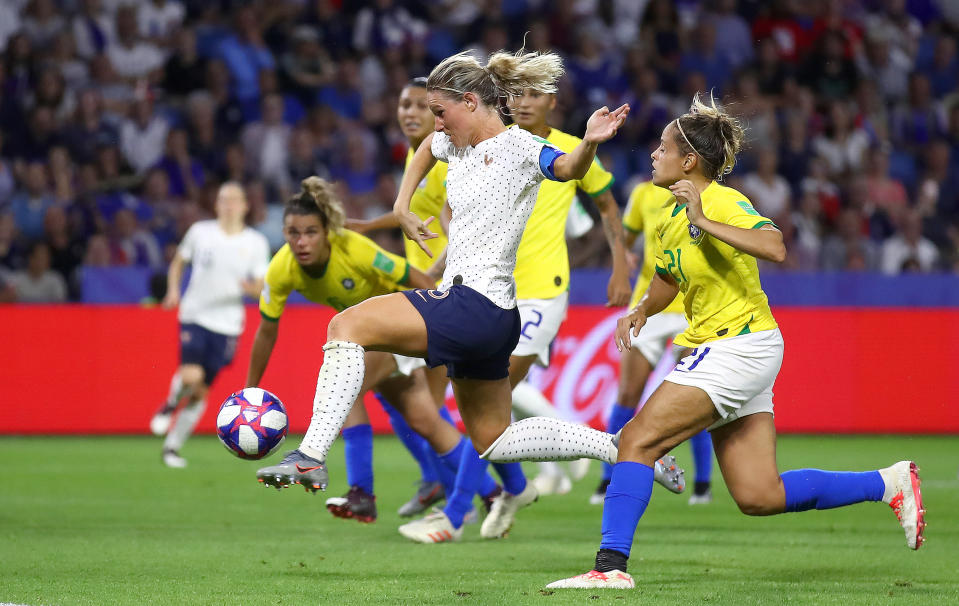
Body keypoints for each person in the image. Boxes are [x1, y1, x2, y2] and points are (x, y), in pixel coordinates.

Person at [480, 94, 925, 589]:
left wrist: (706, 222)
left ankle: (609, 569)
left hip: (737, 345)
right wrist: (642, 310)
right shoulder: (672, 217)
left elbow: (775, 245)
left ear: (688, 160)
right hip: (741, 346)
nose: (653, 155)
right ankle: (889, 483)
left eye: (662, 148)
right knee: (760, 494)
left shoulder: (720, 201)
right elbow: (669, 276)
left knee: (635, 439)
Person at [251, 48, 629, 543]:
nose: (435, 122)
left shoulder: (519, 147)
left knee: (347, 327)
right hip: (493, 317)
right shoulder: (458, 144)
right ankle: (619, 447)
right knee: (493, 439)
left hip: (472, 304)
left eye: (439, 110)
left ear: (471, 102)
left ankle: (312, 455)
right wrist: (402, 204)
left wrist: (591, 144)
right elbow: (429, 147)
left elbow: (567, 168)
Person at [249, 176, 465, 524]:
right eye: (293, 233)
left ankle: (358, 489)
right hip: (369, 338)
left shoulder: (355, 249)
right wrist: (251, 387)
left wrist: (445, 321)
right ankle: (496, 490)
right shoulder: (282, 268)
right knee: (423, 419)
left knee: (345, 392)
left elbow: (416, 277)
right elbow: (266, 330)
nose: (301, 242)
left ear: (327, 232)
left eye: (310, 232)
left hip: (404, 323)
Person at [591, 179, 713, 506]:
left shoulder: (706, 192)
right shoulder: (643, 193)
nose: (657, 155)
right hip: (651, 304)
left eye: (664, 149)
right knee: (628, 394)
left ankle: (703, 484)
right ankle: (608, 478)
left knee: (696, 397)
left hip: (691, 305)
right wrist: (625, 258)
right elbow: (627, 239)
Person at [149, 182, 270, 468]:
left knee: (201, 391)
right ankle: (169, 404)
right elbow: (179, 261)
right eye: (223, 199)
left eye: (233, 200)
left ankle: (172, 448)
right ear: (216, 205)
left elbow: (262, 286)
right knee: (190, 377)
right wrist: (173, 291)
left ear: (244, 205)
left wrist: (251, 289)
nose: (228, 205)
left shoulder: (255, 242)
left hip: (228, 325)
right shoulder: (200, 233)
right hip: (195, 315)